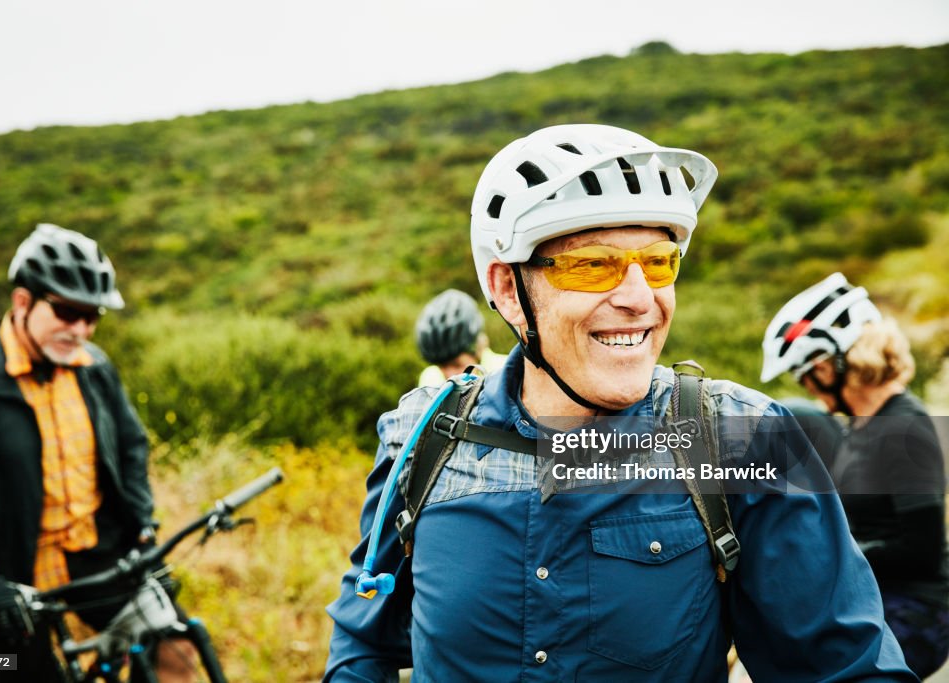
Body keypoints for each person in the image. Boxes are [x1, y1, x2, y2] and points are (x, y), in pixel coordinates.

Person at [325, 124, 915, 681]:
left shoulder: (743, 438)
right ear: (509, 289)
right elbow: (363, 636)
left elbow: (849, 668)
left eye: (659, 263)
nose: (640, 298)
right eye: (593, 266)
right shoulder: (423, 433)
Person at [0, 224, 197, 682]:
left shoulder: (93, 368)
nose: (81, 330)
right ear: (22, 303)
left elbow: (131, 447)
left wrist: (142, 526)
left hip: (94, 554)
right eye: (68, 312)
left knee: (177, 648)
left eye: (93, 317)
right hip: (8, 574)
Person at [762, 272, 949, 678]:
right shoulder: (864, 426)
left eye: (807, 375)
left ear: (835, 364)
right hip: (878, 596)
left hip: (916, 609)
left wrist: (833, 552)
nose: (810, 390)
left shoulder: (904, 427)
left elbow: (923, 547)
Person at [414, 288, 506, 387]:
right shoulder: (431, 378)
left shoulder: (508, 372)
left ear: (478, 348)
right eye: (442, 367)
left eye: (457, 365)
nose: (449, 376)